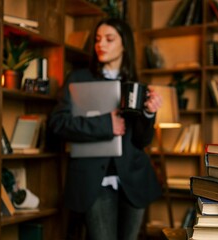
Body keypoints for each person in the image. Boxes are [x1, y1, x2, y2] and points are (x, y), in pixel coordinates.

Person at [49, 18, 163, 240]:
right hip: (93, 181)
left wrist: (149, 114)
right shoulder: (78, 79)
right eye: (98, 39)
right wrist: (105, 124)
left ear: (124, 44)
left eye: (109, 39)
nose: (101, 44)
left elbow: (142, 140)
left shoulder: (135, 83)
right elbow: (57, 124)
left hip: (133, 179)